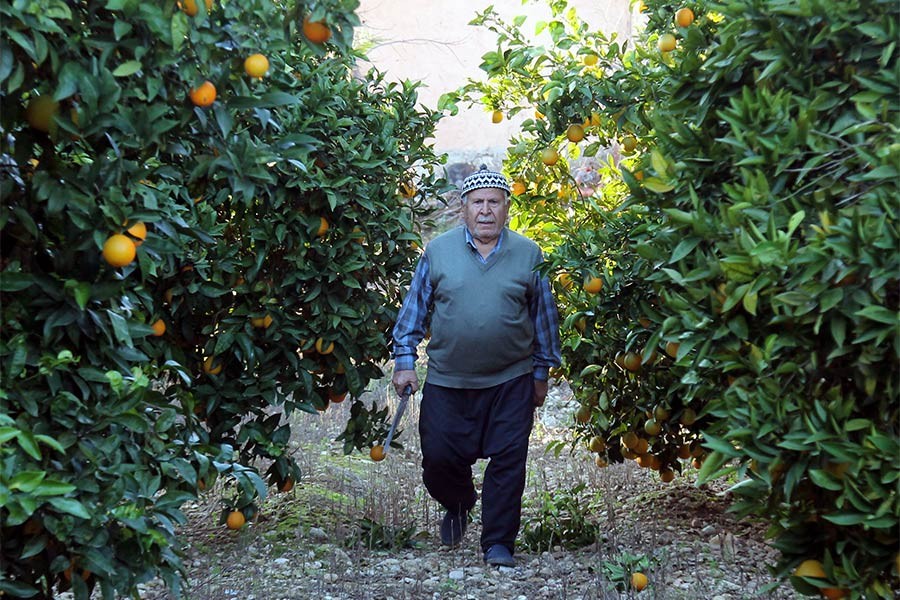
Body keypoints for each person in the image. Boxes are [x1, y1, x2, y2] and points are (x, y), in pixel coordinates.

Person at [391, 165, 562, 568]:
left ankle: (498, 543)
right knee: (437, 459)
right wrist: (404, 362)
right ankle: (460, 501)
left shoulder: (529, 254)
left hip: (511, 381)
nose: (486, 210)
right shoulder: (438, 252)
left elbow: (544, 320)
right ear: (464, 209)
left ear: (507, 208)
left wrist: (541, 375)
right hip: (449, 381)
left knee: (509, 461)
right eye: (477, 202)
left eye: (494, 202)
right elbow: (413, 312)